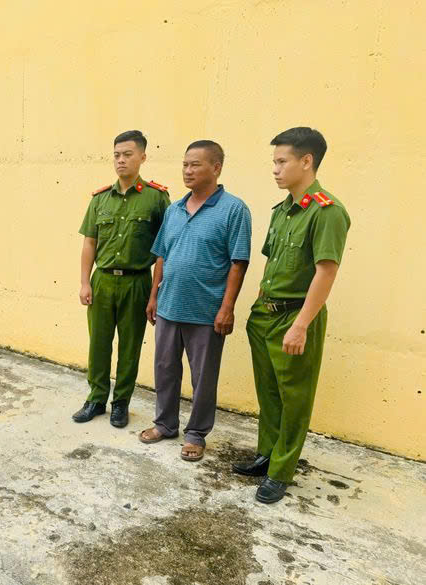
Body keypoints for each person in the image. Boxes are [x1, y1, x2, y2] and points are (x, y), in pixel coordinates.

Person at [232, 127, 351, 504]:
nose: (275, 169)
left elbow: (326, 271)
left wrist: (301, 325)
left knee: (295, 398)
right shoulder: (283, 211)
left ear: (306, 161)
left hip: (295, 318)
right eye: (274, 162)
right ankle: (267, 455)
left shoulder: (327, 212)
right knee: (269, 395)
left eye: (282, 161)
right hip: (265, 316)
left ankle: (282, 472)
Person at [139, 141, 251, 462]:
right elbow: (162, 255)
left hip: (206, 311)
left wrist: (227, 307)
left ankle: (196, 433)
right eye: (185, 164)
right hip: (169, 306)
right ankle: (165, 424)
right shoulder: (174, 209)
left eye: (195, 165)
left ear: (216, 168)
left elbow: (238, 262)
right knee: (164, 368)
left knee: (203, 376)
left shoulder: (234, 210)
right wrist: (153, 295)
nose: (187, 170)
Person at [74, 130, 170, 428]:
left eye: (127, 154)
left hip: (136, 282)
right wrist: (85, 281)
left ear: (142, 157)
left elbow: (163, 251)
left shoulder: (156, 198)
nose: (121, 160)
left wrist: (154, 293)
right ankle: (96, 398)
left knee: (130, 347)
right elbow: (90, 242)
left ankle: (121, 403)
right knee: (98, 344)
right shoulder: (100, 198)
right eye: (116, 155)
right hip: (103, 280)